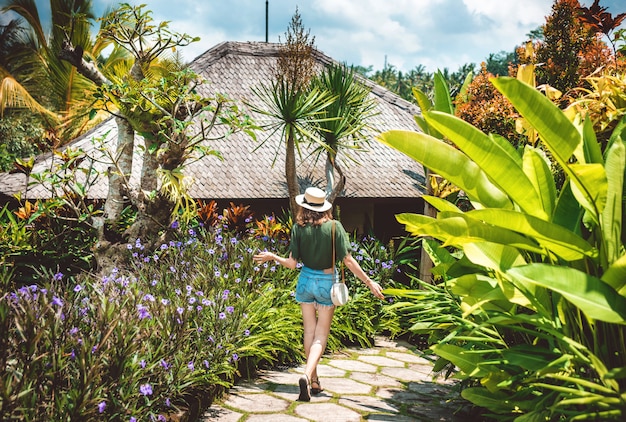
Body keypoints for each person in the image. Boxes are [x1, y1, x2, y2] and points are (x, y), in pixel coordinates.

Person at [253, 186, 385, 402]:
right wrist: (369, 282)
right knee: (321, 335)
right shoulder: (335, 227)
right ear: (324, 208)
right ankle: (306, 374)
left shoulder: (298, 228)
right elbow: (348, 261)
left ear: (304, 207)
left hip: (305, 281)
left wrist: (272, 256)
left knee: (309, 332)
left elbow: (291, 264)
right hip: (326, 282)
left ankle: (314, 380)